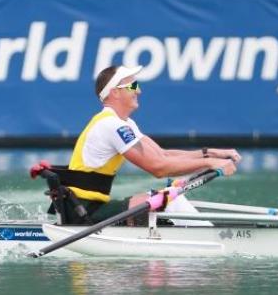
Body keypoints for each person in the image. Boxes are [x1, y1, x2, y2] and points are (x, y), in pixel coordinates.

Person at [65, 65, 240, 223]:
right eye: (133, 86)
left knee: (169, 198)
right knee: (171, 200)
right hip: (83, 211)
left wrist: (209, 153)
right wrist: (209, 164)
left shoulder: (124, 123)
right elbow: (159, 168)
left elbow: (162, 155)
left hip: (92, 206)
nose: (139, 91)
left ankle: (206, 236)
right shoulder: (111, 125)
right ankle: (213, 239)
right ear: (115, 92)